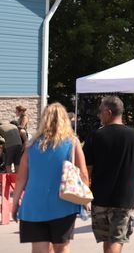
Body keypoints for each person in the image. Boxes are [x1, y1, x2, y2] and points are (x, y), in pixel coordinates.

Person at [12, 103, 88, 252]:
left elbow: (21, 179)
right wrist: (85, 201)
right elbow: (83, 173)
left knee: (39, 249)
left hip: (33, 205)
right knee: (61, 247)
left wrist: (15, 204)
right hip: (64, 203)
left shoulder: (31, 145)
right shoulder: (73, 142)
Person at [83, 96, 134, 252]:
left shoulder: (94, 136)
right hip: (124, 198)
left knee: (108, 240)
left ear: (108, 112)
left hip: (100, 198)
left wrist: (85, 192)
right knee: (116, 240)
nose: (99, 115)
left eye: (100, 112)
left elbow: (87, 169)